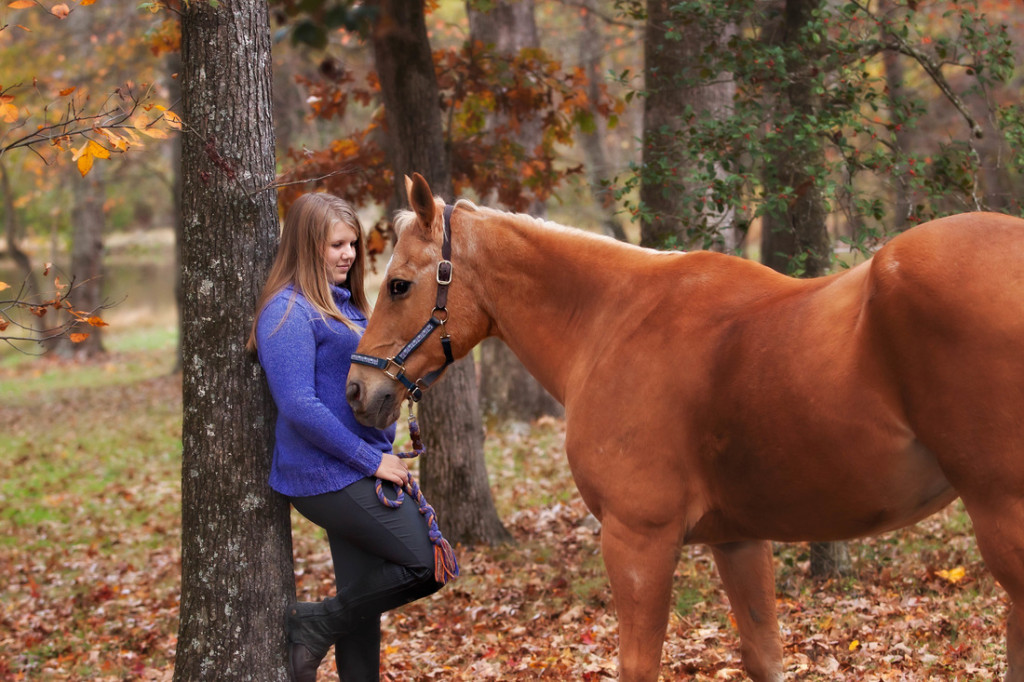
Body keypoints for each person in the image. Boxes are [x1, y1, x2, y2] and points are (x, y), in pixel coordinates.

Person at [246, 192, 444, 682]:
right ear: (307, 247)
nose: (348, 255)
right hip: (321, 476)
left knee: (363, 597)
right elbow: (298, 405)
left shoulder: (350, 308)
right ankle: (313, 624)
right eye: (336, 245)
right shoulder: (287, 311)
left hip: (355, 466)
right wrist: (370, 461)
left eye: (352, 244)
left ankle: (333, 637)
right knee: (426, 565)